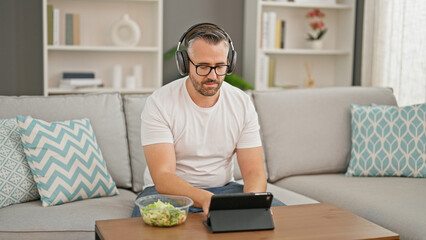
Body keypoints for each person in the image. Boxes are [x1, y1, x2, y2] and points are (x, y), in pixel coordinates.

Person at [131, 23, 284, 218]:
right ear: (185, 64)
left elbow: (254, 171)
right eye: (203, 66)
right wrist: (205, 200)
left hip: (223, 190)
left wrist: (251, 203)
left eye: (220, 66)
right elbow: (163, 177)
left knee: (284, 223)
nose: (212, 76)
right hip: (167, 194)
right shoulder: (160, 103)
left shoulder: (242, 103)